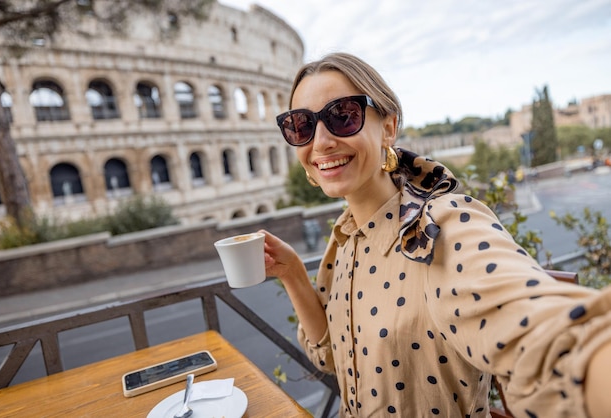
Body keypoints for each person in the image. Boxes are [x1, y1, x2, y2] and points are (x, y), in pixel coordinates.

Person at [260, 52, 611, 417]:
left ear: (389, 128)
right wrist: (293, 275)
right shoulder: (346, 238)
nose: (321, 142)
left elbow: (546, 336)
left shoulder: (439, 227)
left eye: (343, 117)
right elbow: (333, 357)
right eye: (301, 125)